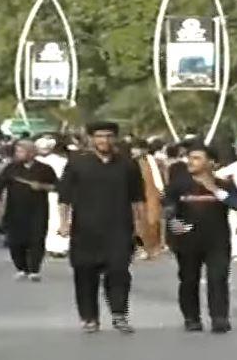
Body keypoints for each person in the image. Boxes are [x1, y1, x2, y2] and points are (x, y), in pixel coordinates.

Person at [58, 121, 145, 334]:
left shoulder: (127, 164)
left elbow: (137, 199)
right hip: (85, 229)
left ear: (115, 138)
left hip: (119, 228)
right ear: (91, 139)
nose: (104, 141)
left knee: (119, 273)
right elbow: (65, 197)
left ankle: (119, 315)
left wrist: (140, 226)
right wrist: (64, 223)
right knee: (85, 274)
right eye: (99, 136)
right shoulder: (77, 162)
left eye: (108, 136)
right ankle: (89, 317)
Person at [165, 144, 237, 334]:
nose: (191, 162)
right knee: (189, 280)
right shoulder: (179, 185)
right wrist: (173, 224)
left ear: (211, 163)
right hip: (187, 242)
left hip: (217, 241)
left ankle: (219, 318)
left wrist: (214, 189)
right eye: (190, 158)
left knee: (218, 278)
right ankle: (191, 318)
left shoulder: (224, 184)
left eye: (197, 158)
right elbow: (169, 210)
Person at [0, 139, 58, 281]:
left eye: (21, 151)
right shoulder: (11, 168)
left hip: (38, 210)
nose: (18, 154)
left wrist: (42, 186)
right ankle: (21, 268)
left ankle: (34, 269)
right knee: (16, 240)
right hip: (15, 209)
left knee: (37, 238)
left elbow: (57, 186)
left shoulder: (45, 169)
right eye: (17, 151)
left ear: (31, 153)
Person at [131, 140, 166, 260]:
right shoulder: (129, 163)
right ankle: (141, 248)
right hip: (136, 196)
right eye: (133, 148)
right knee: (138, 222)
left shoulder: (154, 162)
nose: (134, 151)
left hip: (151, 194)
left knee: (153, 221)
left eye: (137, 148)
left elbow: (162, 177)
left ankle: (153, 247)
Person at [35, 137, 69, 258]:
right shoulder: (62, 161)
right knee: (56, 219)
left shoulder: (37, 161)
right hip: (53, 193)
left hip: (52, 193)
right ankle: (58, 246)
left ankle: (56, 246)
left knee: (55, 219)